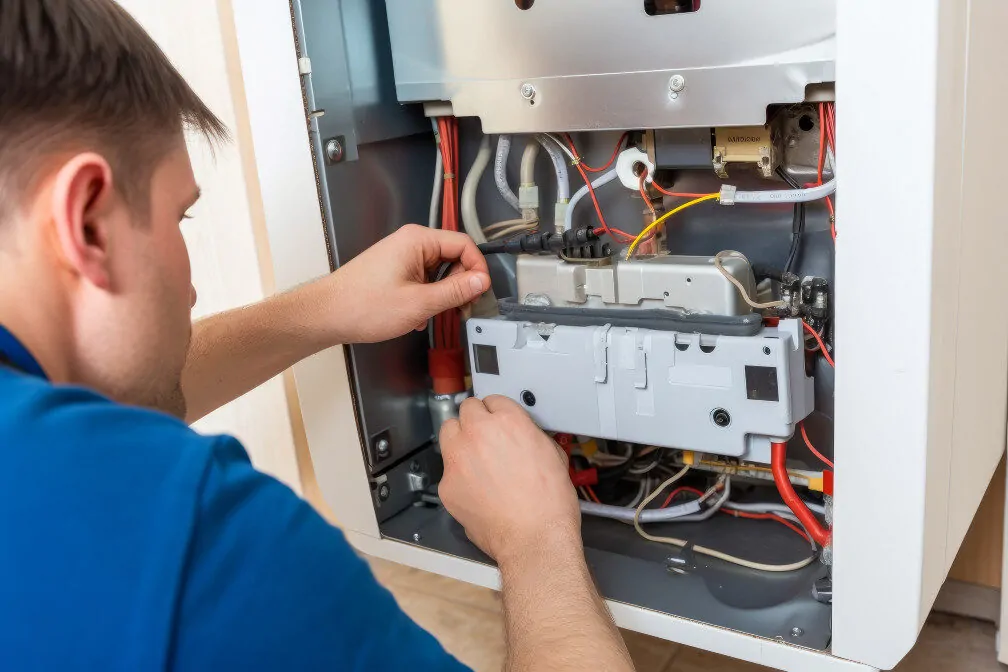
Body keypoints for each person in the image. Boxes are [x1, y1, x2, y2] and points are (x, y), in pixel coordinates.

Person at [0, 1, 635, 671]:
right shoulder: (193, 543)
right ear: (87, 222)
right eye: (179, 218)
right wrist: (535, 538)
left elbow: (104, 391)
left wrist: (323, 308)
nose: (189, 293)